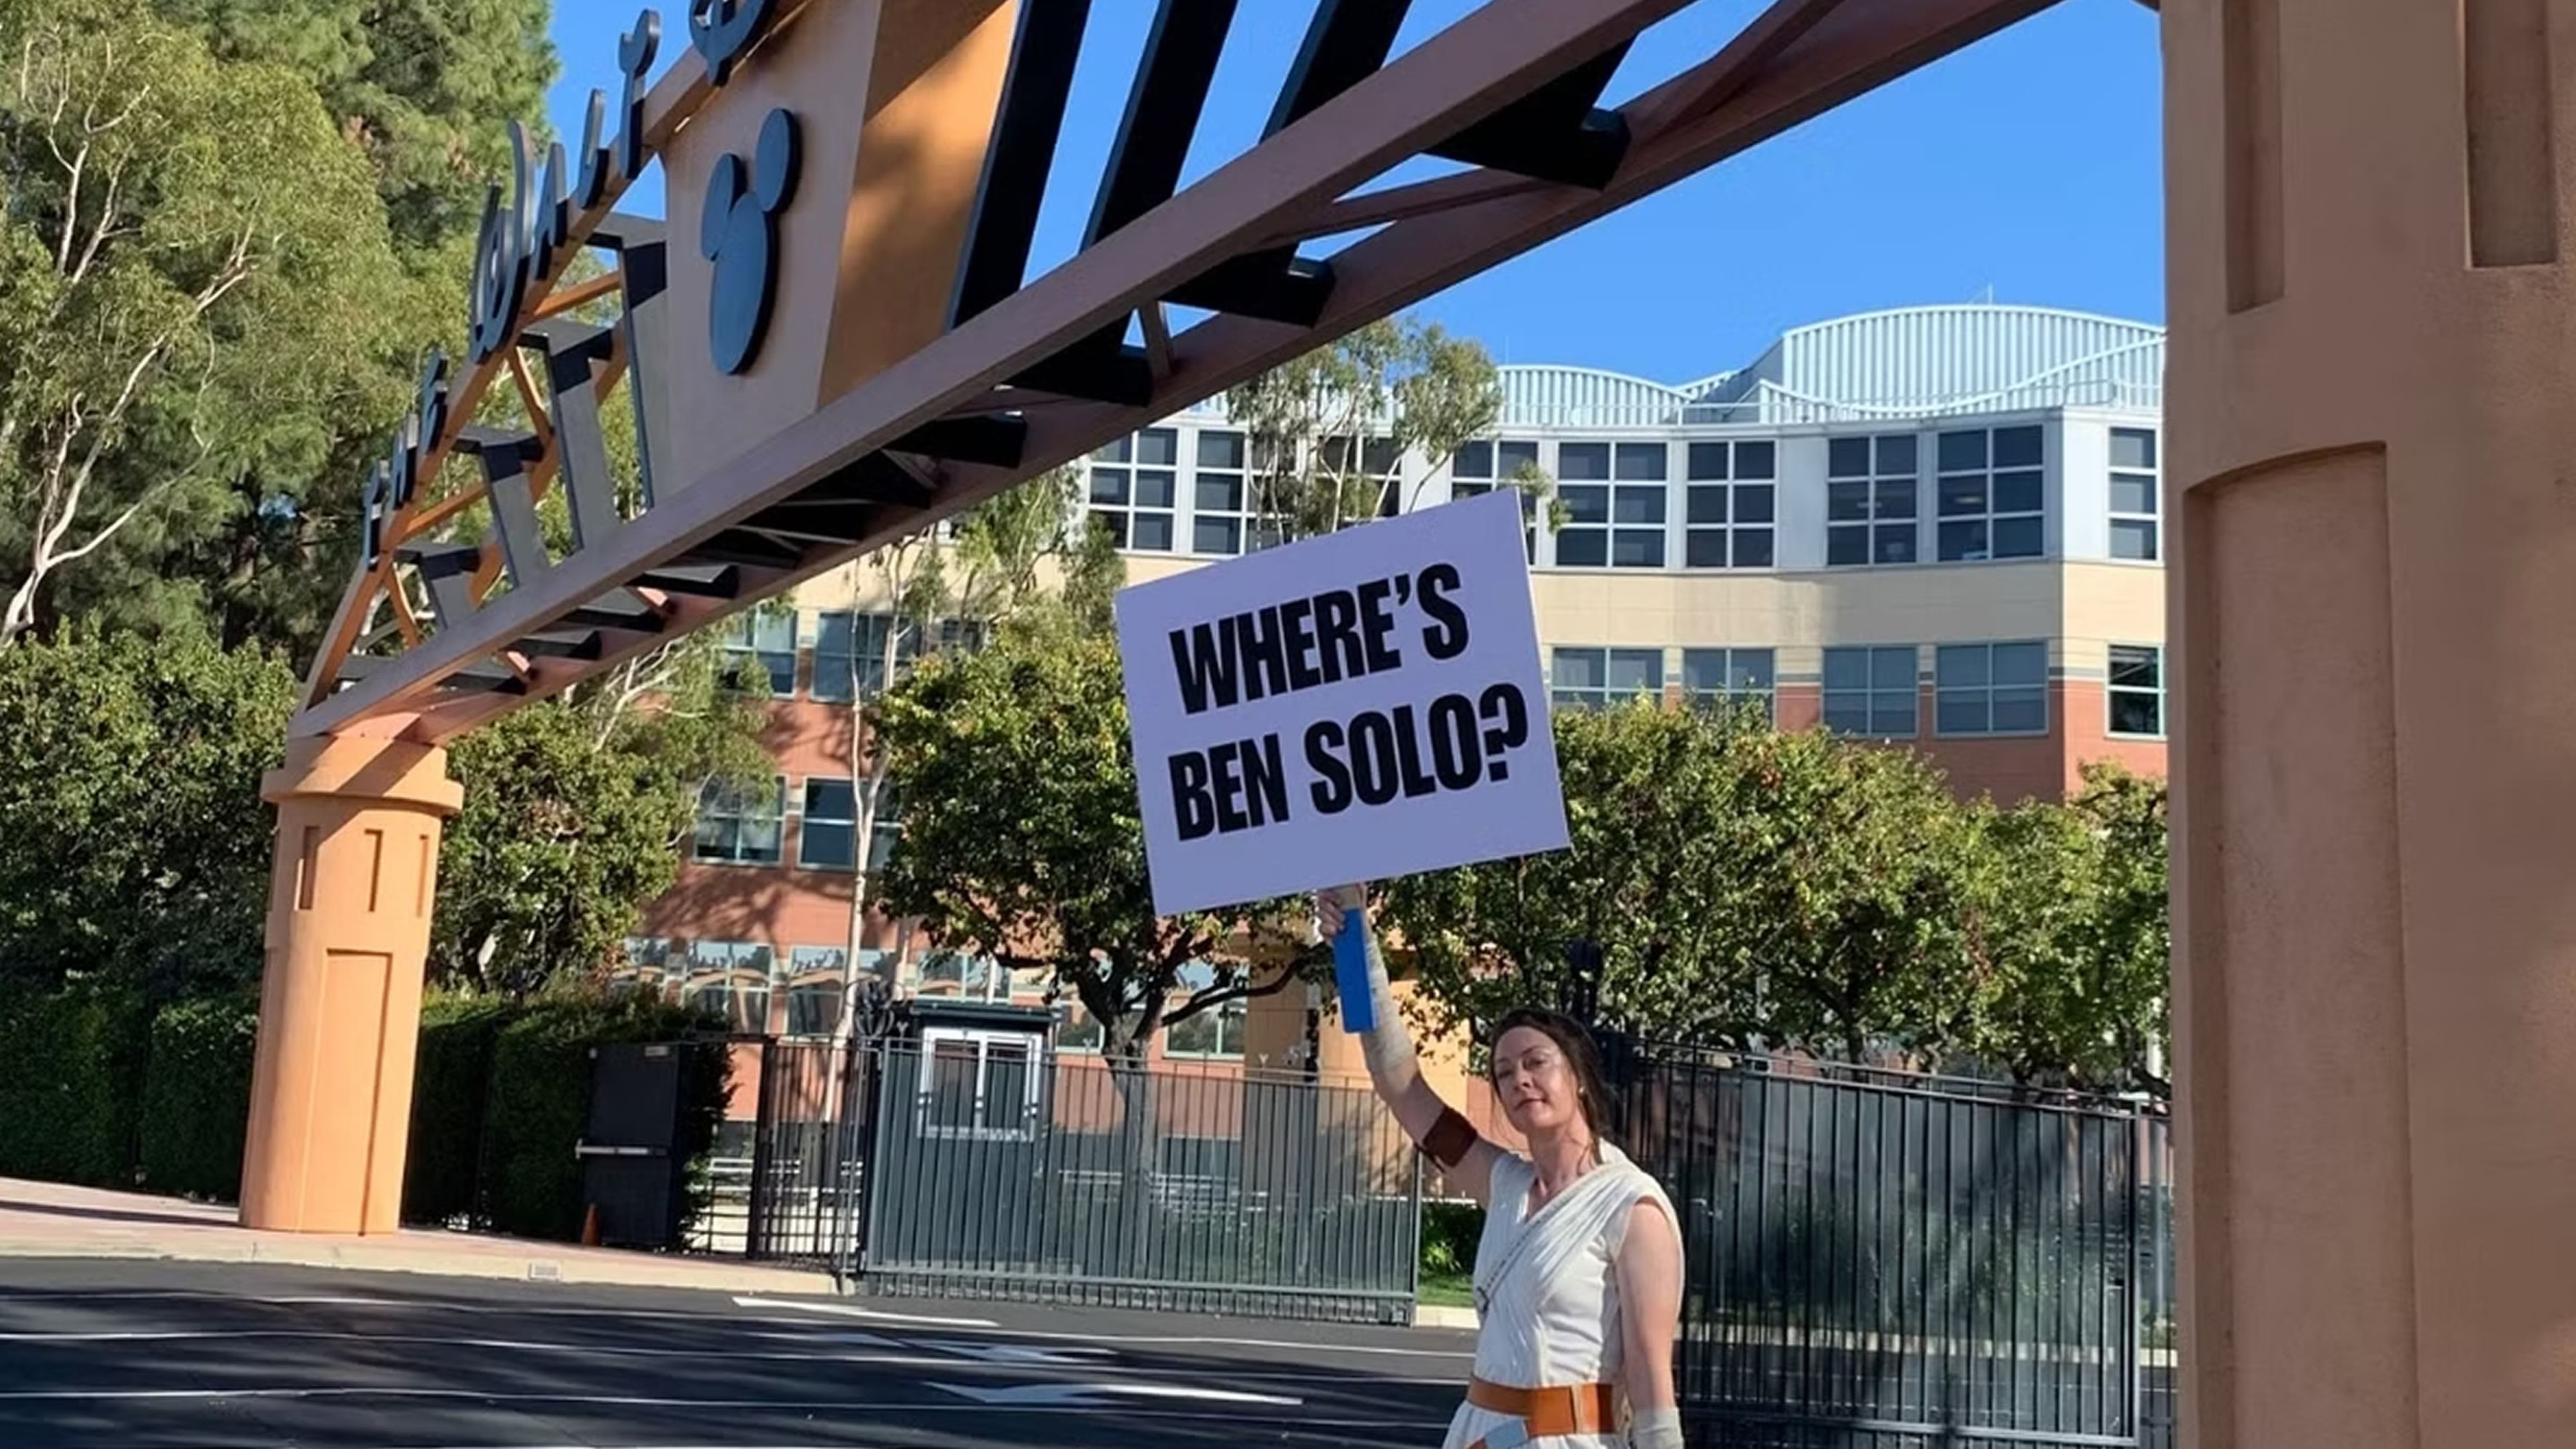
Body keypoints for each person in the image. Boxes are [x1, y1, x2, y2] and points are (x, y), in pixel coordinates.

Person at [1316, 886, 1684, 1449]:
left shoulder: (1631, 1205)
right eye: (1504, 1072)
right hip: (1480, 1433)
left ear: (1578, 1076)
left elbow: (1652, 1377)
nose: (1520, 1081)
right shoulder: (1504, 1181)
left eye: (1537, 1063)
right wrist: (1356, 941)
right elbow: (1400, 1085)